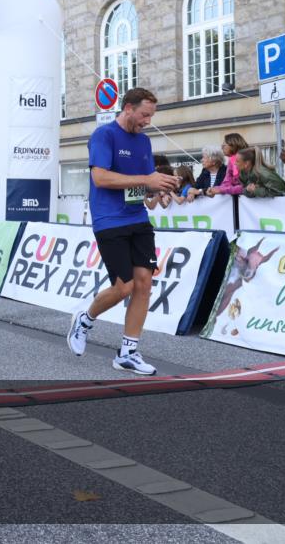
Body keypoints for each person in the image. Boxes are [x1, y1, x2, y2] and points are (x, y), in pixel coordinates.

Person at [67, 87, 179, 375]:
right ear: (128, 108)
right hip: (109, 220)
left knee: (144, 284)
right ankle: (85, 318)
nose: (147, 121)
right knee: (124, 287)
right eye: (144, 115)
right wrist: (147, 179)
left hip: (137, 218)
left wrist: (159, 188)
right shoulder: (103, 136)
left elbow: (140, 186)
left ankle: (128, 353)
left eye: (151, 116)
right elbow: (101, 178)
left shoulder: (143, 142)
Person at [207, 132, 248, 197]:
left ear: (233, 145)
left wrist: (221, 190)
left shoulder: (247, 159)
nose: (221, 147)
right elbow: (226, 183)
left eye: (224, 145)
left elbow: (245, 187)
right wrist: (214, 189)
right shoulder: (231, 160)